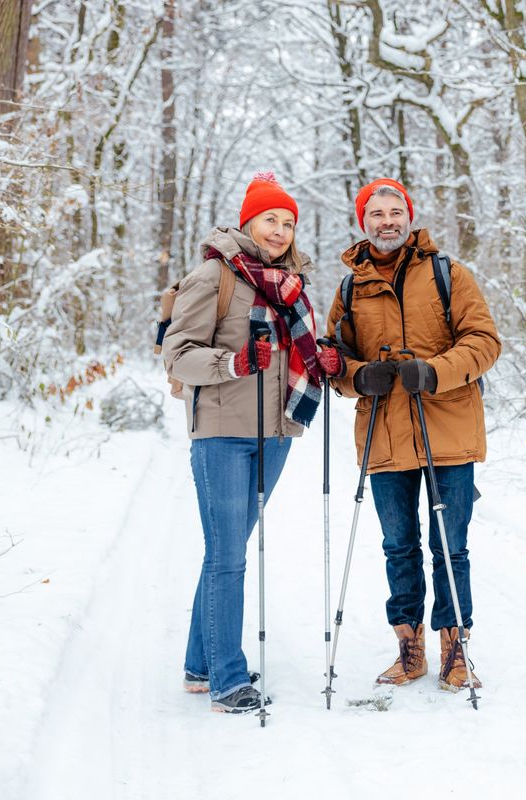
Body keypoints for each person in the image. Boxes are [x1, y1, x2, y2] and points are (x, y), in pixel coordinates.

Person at [162, 172, 341, 713]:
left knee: (228, 550)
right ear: (248, 222)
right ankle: (228, 680)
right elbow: (177, 353)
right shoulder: (214, 277)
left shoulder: (292, 286)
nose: (281, 230)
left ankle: (201, 664)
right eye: (271, 219)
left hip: (277, 433)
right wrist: (233, 362)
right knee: (228, 557)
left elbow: (298, 355)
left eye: (288, 222)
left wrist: (323, 361)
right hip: (222, 433)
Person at [322, 178, 500, 692]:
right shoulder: (349, 288)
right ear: (364, 222)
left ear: (409, 215)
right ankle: (410, 648)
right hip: (384, 434)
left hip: (447, 426)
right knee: (398, 546)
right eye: (376, 214)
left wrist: (435, 372)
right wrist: (358, 376)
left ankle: (455, 649)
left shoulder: (448, 274)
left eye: (394, 211)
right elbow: (334, 360)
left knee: (450, 546)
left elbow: (485, 341)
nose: (387, 221)